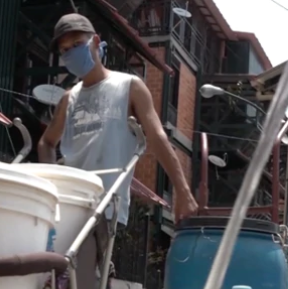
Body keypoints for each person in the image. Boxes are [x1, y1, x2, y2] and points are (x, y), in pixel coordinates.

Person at [37, 13, 198, 226]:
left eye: (77, 44)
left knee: (81, 259)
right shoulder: (69, 98)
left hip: (105, 209)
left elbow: (157, 137)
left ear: (95, 41)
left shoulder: (129, 86)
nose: (71, 53)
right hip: (67, 204)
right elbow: (46, 142)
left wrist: (183, 191)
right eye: (65, 50)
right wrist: (52, 183)